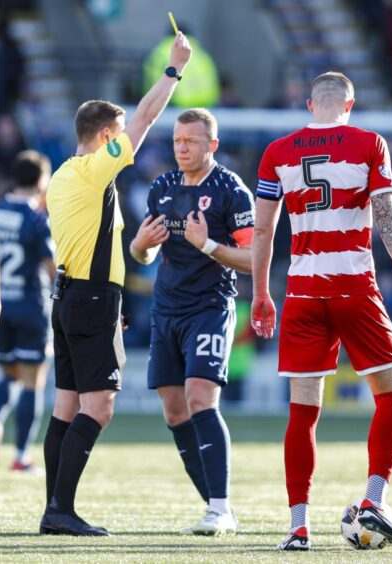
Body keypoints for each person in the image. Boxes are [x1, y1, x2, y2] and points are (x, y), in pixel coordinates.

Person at [251, 71, 392, 551]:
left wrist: (261, 293)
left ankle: (299, 528)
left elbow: (263, 232)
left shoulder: (277, 152)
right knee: (390, 394)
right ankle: (373, 500)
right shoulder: (369, 143)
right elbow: (387, 216)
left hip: (302, 291)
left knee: (302, 411)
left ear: (310, 104)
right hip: (352, 285)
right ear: (351, 103)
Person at [40, 30, 192, 537]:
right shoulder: (91, 172)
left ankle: (53, 508)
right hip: (89, 299)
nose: (126, 142)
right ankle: (61, 508)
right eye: (119, 135)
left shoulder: (62, 174)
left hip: (69, 298)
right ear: (107, 137)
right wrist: (173, 70)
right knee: (98, 407)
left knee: (65, 409)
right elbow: (147, 118)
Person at [129, 108, 254, 535]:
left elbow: (255, 259)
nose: (182, 148)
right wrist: (139, 246)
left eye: (192, 141)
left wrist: (210, 246)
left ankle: (219, 507)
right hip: (166, 309)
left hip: (210, 307)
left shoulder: (231, 190)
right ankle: (217, 508)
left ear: (211, 145)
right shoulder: (161, 187)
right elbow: (145, 253)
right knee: (173, 408)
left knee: (201, 398)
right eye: (178, 140)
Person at [0, 150, 56, 472]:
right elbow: (52, 266)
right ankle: (21, 455)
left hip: (0, 306)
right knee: (32, 381)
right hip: (30, 304)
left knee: (8, 374)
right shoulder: (37, 219)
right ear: (42, 180)